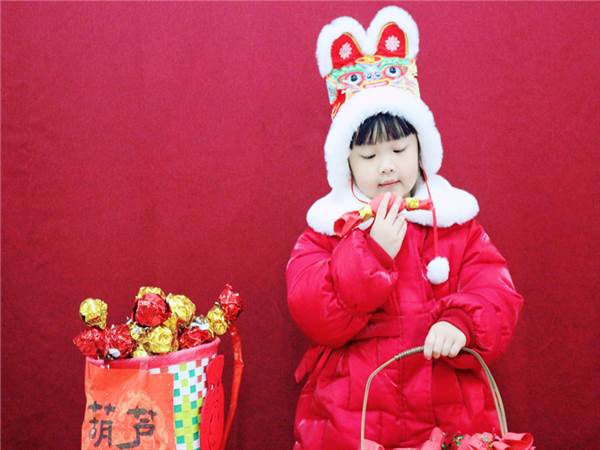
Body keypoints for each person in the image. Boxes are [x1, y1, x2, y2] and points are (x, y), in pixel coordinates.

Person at [286, 6, 524, 449]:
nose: (386, 166)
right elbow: (313, 311)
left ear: (421, 149)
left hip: (447, 407)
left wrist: (462, 321)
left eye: (398, 150)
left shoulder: (454, 222)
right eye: (369, 157)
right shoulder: (327, 230)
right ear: (346, 163)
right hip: (354, 413)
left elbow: (496, 291)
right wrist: (371, 253)